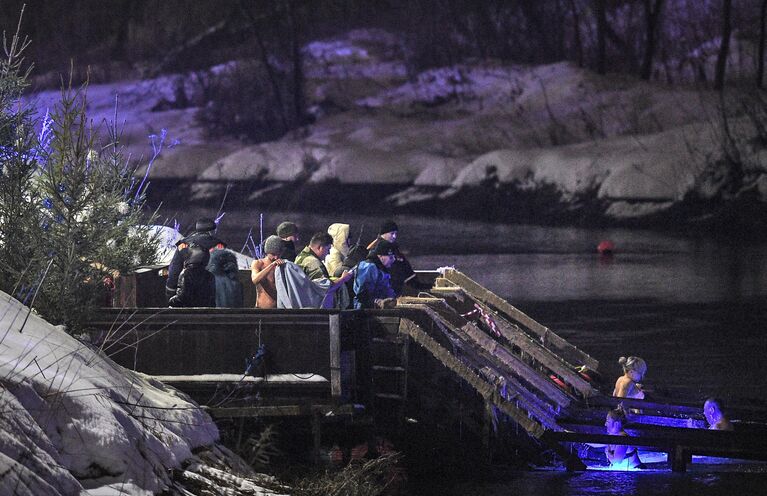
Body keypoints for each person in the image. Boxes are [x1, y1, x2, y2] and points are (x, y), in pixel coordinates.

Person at [166, 217, 226, 302]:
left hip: (186, 291)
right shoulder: (218, 245)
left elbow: (174, 270)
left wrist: (170, 291)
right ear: (211, 230)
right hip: (211, 293)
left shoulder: (184, 244)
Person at [366, 220, 421, 295]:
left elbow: (406, 269)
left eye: (395, 234)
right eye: (392, 233)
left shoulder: (394, 249)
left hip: (394, 293)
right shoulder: (374, 251)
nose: (394, 236)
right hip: (380, 296)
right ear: (383, 234)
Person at [353, 239, 397, 309]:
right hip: (365, 312)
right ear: (380, 256)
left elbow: (386, 289)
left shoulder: (381, 268)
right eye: (391, 257)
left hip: (377, 309)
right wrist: (377, 302)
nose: (394, 259)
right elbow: (362, 296)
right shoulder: (369, 267)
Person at [250, 235, 285, 309]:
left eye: (278, 254)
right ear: (267, 252)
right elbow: (255, 279)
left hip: (278, 309)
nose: (276, 257)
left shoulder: (283, 265)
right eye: (273, 254)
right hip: (261, 309)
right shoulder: (258, 263)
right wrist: (272, 265)